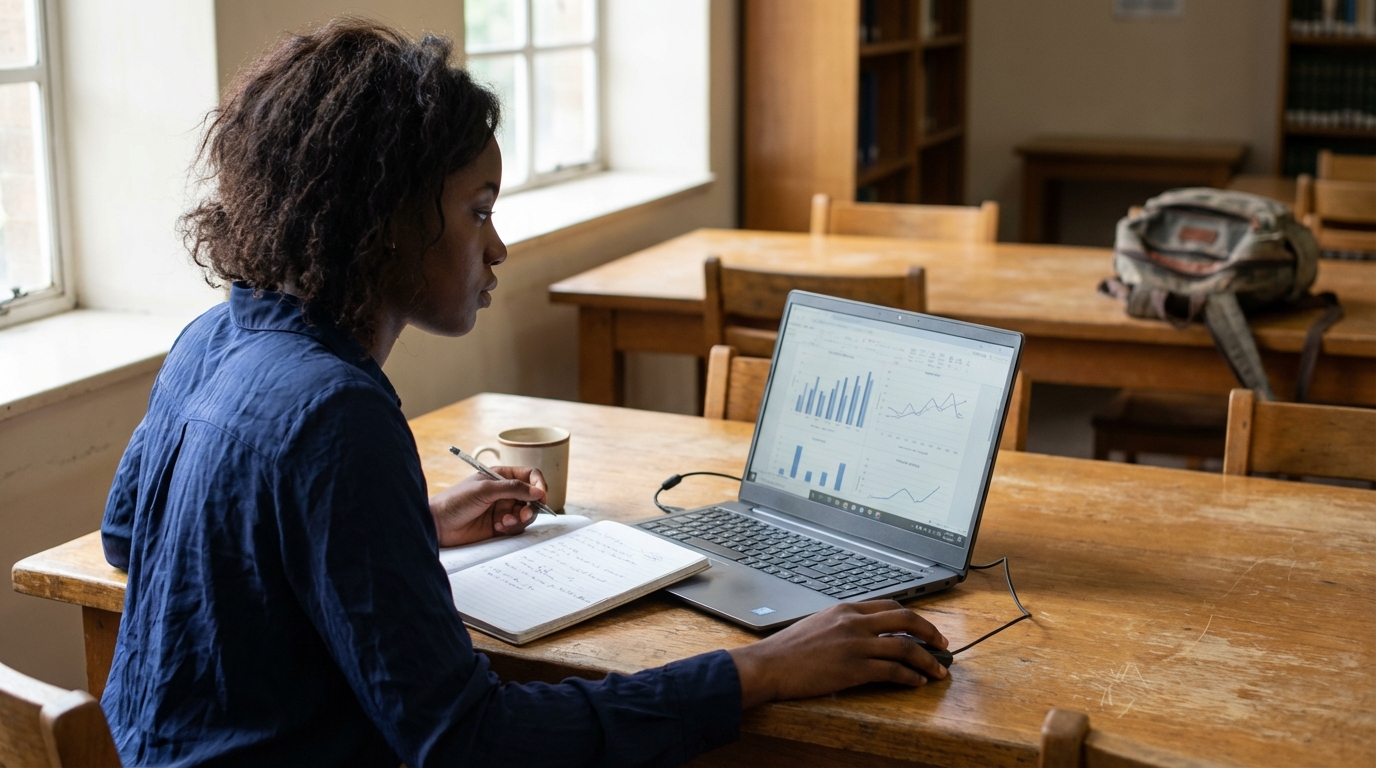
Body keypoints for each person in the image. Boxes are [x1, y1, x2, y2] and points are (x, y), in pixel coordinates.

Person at [99, 18, 950, 767]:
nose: (498, 246)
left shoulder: (217, 337)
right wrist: (759, 669)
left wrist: (403, 532)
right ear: (385, 220)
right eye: (478, 210)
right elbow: (469, 742)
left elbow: (129, 535)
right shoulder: (336, 412)